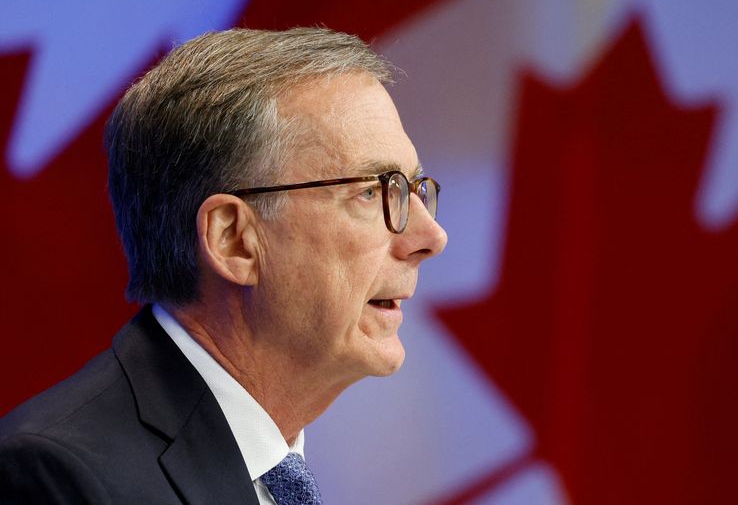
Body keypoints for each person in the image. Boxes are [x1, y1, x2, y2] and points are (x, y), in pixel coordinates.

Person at [0, 27, 447, 504]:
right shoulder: (57, 478)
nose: (431, 238)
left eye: (413, 189)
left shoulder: (273, 468)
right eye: (372, 192)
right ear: (233, 240)